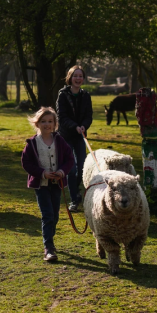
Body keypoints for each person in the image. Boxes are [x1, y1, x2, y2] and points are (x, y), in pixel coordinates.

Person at [21, 107, 75, 262]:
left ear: (55, 124)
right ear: (37, 124)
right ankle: (49, 248)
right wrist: (42, 173)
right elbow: (26, 162)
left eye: (50, 121)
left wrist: (61, 172)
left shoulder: (60, 140)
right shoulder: (32, 143)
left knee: (55, 215)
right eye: (43, 121)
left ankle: (50, 238)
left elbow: (69, 159)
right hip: (41, 185)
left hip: (56, 184)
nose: (47, 124)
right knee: (47, 215)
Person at [55, 65, 93, 212]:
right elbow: (61, 116)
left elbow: (88, 116)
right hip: (66, 136)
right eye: (75, 76)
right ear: (70, 78)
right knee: (71, 169)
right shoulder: (62, 94)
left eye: (80, 76)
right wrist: (74, 126)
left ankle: (78, 191)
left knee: (83, 168)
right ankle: (74, 200)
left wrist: (84, 126)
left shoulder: (86, 95)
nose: (78, 78)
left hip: (80, 136)